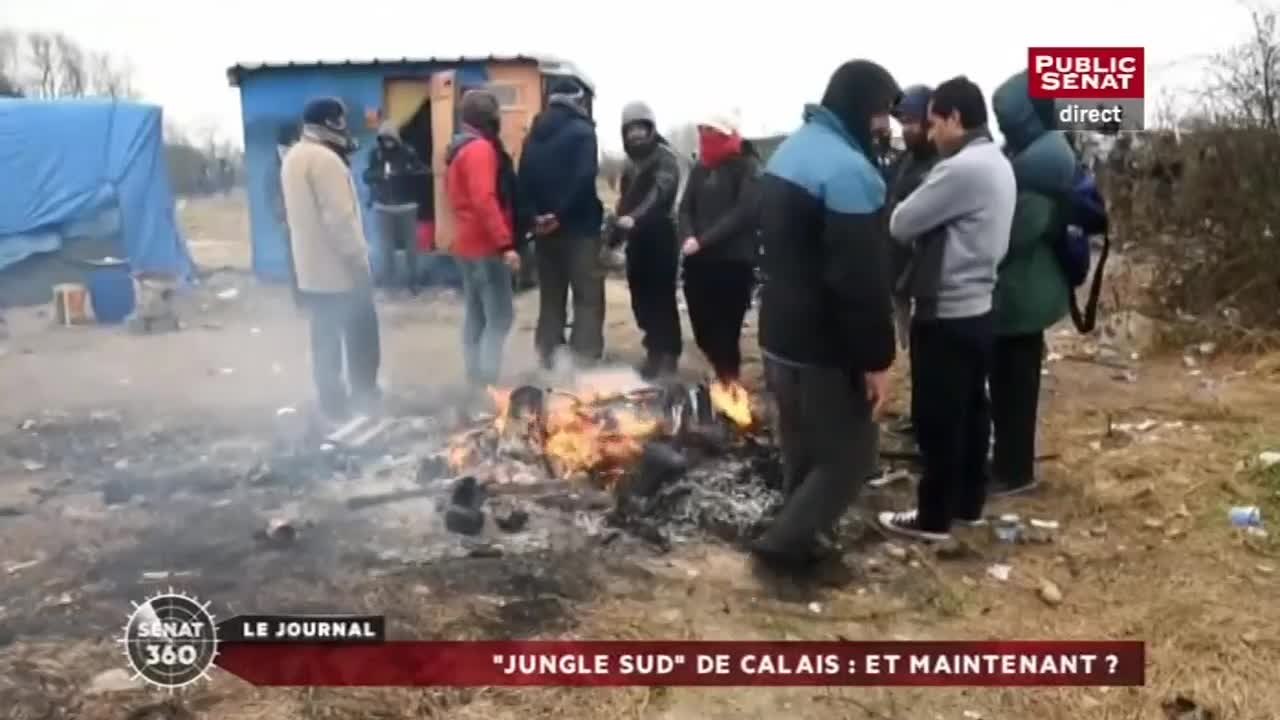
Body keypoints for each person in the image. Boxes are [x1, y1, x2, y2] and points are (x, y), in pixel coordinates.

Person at [749, 60, 901, 570]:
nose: (887, 126)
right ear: (863, 108)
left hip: (778, 334)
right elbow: (860, 282)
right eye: (883, 113)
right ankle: (782, 547)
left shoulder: (790, 150)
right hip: (822, 345)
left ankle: (803, 536)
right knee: (851, 457)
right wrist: (878, 359)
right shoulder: (851, 173)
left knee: (801, 448)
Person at [878, 76, 1017, 542]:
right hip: (979, 306)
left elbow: (901, 222)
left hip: (946, 310)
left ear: (957, 119)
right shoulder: (995, 161)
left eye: (936, 123)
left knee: (937, 418)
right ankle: (968, 503)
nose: (932, 134)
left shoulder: (961, 169)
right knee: (973, 410)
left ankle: (932, 517)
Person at [987, 70, 1076, 497]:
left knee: (1015, 391)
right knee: (1008, 388)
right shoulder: (1041, 157)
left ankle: (1014, 472)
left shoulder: (1039, 169)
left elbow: (1018, 234)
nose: (1003, 127)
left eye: (1006, 119)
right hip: (1023, 293)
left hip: (1024, 297)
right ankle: (1008, 462)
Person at [280, 97, 381, 421]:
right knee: (362, 335)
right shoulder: (325, 160)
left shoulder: (294, 156)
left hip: (309, 269)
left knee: (324, 340)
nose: (346, 126)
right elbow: (339, 219)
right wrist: (358, 261)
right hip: (338, 269)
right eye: (341, 119)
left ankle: (331, 403)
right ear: (330, 122)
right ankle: (364, 398)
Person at [518, 78, 605, 370]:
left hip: (544, 232)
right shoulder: (583, 132)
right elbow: (583, 179)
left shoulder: (533, 135)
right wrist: (560, 215)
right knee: (587, 297)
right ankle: (582, 364)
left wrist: (535, 217)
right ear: (576, 99)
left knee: (551, 298)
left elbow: (524, 181)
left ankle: (548, 358)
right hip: (579, 230)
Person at [444, 90, 522, 389]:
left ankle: (474, 379)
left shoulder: (458, 149)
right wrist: (506, 244)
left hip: (466, 245)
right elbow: (484, 199)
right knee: (500, 317)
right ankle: (489, 384)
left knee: (476, 315)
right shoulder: (479, 150)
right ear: (489, 119)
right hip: (485, 247)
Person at [677, 111, 760, 384]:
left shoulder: (746, 166)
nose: (704, 136)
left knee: (726, 331)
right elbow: (685, 207)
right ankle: (720, 376)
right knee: (703, 329)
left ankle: (730, 386)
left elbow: (743, 212)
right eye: (701, 130)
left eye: (709, 130)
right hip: (698, 263)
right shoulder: (700, 168)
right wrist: (688, 236)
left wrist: (704, 240)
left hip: (733, 263)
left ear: (725, 133)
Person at [608, 101, 683, 379]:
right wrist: (616, 232)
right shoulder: (629, 164)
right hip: (637, 241)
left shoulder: (665, 158)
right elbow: (624, 201)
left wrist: (636, 217)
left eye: (641, 128)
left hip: (661, 236)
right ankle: (653, 350)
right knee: (641, 299)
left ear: (651, 129)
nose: (636, 135)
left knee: (661, 298)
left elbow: (660, 191)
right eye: (631, 130)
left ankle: (669, 355)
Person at [884, 84, 938, 433]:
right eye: (902, 121)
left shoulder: (940, 165)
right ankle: (920, 418)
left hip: (922, 276)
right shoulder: (906, 160)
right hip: (899, 272)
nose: (906, 128)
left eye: (912, 121)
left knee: (931, 355)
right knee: (916, 353)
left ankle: (930, 422)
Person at [363, 122, 430, 294]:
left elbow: (423, 172)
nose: (387, 143)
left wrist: (405, 173)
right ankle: (388, 282)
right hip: (383, 207)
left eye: (390, 139)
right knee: (385, 247)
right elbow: (367, 175)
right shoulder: (375, 154)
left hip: (406, 206)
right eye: (384, 140)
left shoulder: (407, 152)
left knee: (411, 247)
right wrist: (380, 176)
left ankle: (413, 282)